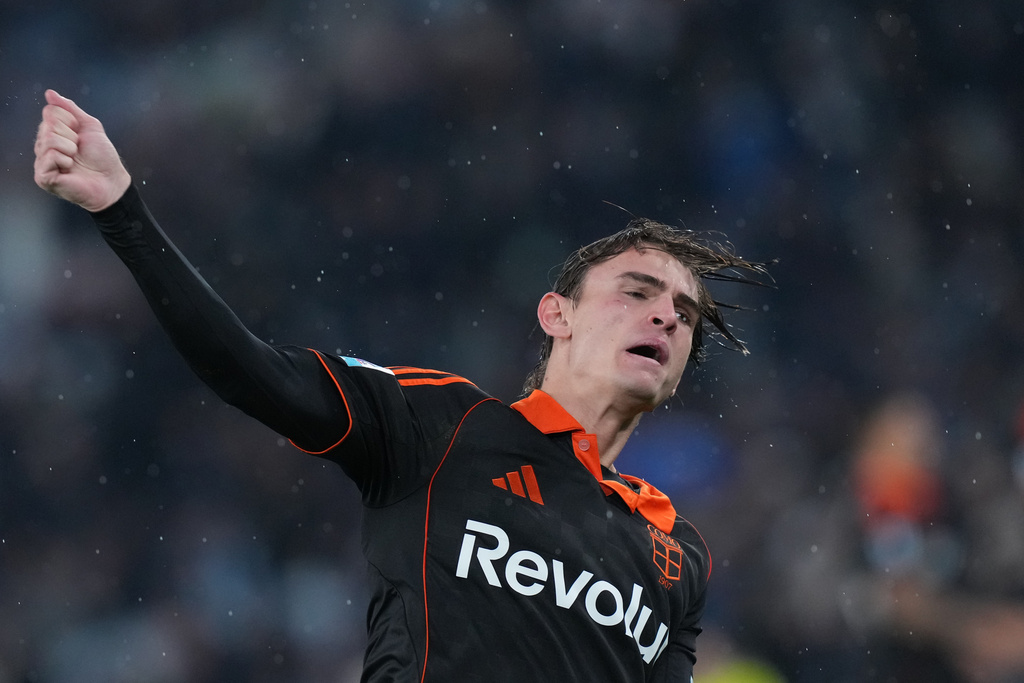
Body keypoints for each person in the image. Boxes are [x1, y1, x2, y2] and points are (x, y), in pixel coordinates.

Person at [33, 89, 770, 682]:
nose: (665, 317)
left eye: (684, 316)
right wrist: (121, 209)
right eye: (636, 292)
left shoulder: (677, 552)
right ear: (558, 315)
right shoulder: (442, 423)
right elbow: (247, 369)